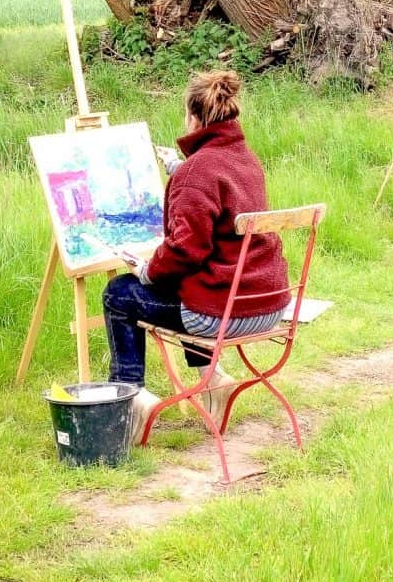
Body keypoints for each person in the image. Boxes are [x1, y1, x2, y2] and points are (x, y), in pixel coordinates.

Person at [102, 70, 289, 441]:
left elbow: (185, 251)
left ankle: (131, 395)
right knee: (192, 284)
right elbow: (217, 193)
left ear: (193, 116)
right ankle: (212, 379)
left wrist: (146, 271)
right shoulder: (245, 159)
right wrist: (180, 169)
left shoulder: (198, 172)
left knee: (119, 294)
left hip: (223, 314)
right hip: (268, 306)